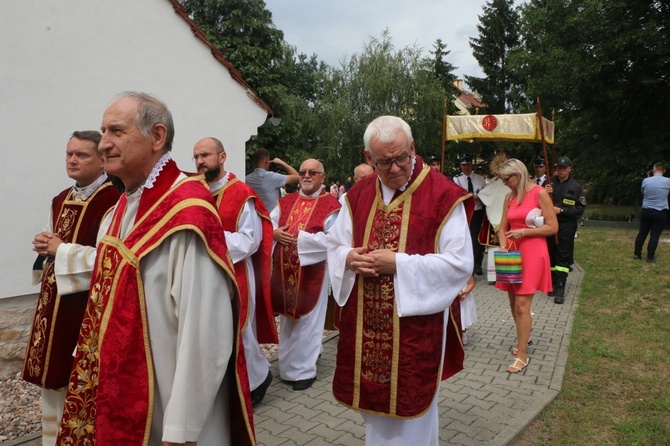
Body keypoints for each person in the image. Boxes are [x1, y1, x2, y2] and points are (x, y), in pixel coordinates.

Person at [55, 92, 255, 445]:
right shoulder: (118, 209)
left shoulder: (187, 213)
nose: (104, 143)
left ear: (157, 137)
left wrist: (182, 430)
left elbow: (205, 332)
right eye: (103, 132)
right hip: (121, 394)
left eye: (116, 131)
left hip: (169, 409)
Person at [328, 115, 474, 445]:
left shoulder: (442, 195)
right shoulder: (357, 195)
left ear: (412, 148)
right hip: (366, 328)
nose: (394, 169)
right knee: (376, 419)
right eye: (384, 162)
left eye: (401, 159)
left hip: (413, 331)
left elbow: (459, 264)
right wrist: (348, 258)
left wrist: (398, 264)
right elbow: (334, 244)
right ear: (369, 158)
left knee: (412, 422)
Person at [24, 130, 120, 446]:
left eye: (82, 155)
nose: (73, 160)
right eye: (69, 154)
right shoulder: (60, 198)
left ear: (102, 161)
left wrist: (60, 250)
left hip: (86, 310)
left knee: (81, 385)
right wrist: (45, 248)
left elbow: (113, 259)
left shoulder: (114, 200)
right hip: (52, 309)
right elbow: (54, 245)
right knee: (52, 384)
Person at [193, 137, 278, 406]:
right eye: (196, 157)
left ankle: (258, 378)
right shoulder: (195, 191)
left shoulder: (240, 192)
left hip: (235, 272)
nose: (199, 162)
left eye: (205, 155)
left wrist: (211, 238)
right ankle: (233, 382)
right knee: (215, 331)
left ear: (222, 156)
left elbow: (250, 240)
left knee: (240, 332)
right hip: (204, 273)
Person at [270, 158, 340, 391]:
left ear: (323, 176)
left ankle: (303, 371)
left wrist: (302, 238)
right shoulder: (285, 202)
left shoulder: (331, 206)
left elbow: (335, 240)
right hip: (284, 272)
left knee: (309, 322)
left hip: (313, 272)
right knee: (289, 322)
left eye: (312, 172)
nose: (306, 176)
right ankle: (288, 366)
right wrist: (274, 234)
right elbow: (268, 226)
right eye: (302, 172)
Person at [496, 159, 558, 374]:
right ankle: (525, 337)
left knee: (522, 305)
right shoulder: (509, 197)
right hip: (512, 255)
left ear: (518, 176)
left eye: (506, 179)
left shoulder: (539, 193)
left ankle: (522, 356)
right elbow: (502, 227)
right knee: (514, 303)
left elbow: (552, 226)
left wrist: (524, 232)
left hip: (532, 252)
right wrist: (503, 246)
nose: (504, 183)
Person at [545, 156, 586, 304]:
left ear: (570, 169)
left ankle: (561, 287)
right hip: (549, 224)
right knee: (550, 254)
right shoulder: (549, 183)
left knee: (562, 255)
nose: (560, 170)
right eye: (558, 168)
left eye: (564, 168)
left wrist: (561, 210)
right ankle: (552, 281)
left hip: (566, 225)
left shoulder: (576, 186)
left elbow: (579, 210)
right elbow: (538, 200)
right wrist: (544, 191)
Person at [454, 155, 487, 275]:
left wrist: (478, 197)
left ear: (472, 165)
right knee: (464, 238)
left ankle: (477, 264)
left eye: (468, 164)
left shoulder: (480, 179)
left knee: (476, 239)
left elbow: (485, 194)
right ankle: (467, 264)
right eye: (463, 165)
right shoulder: (456, 179)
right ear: (460, 166)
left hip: (477, 211)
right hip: (463, 212)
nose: (466, 167)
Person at [634, 162, 670, 263]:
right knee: (655, 235)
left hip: (646, 210)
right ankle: (650, 257)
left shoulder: (646, 180)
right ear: (664, 171)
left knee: (642, 233)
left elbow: (643, 192)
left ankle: (637, 254)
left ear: (653, 170)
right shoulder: (668, 181)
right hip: (660, 211)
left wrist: (649, 178)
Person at [245, 148, 300, 212]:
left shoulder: (247, 179)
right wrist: (281, 162)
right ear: (267, 161)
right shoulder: (272, 177)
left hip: (256, 218)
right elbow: (297, 177)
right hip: (272, 218)